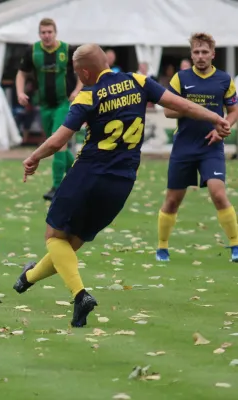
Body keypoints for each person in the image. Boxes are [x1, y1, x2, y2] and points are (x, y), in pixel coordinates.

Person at [13, 44, 230, 328]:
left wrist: (33, 157)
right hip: (122, 182)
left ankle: (80, 295)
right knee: (70, 245)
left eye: (79, 74)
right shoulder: (138, 81)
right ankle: (26, 279)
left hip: (89, 174)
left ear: (85, 72)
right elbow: (180, 104)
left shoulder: (88, 95)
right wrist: (216, 117)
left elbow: (58, 140)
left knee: (54, 237)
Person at [156, 33, 238, 262]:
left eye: (204, 52)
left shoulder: (224, 79)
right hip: (184, 147)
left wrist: (223, 128)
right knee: (172, 200)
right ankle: (162, 247)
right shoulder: (180, 78)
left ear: (213, 54)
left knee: (218, 193)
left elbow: (233, 111)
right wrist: (192, 108)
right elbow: (168, 110)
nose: (200, 57)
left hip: (211, 146)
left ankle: (235, 245)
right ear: (191, 55)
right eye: (196, 52)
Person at [16, 18, 81, 201]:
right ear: (39, 34)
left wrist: (77, 90)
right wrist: (20, 92)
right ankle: (79, 175)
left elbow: (81, 72)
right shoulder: (33, 51)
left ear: (55, 32)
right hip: (44, 105)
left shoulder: (67, 50)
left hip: (63, 103)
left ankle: (57, 187)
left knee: (58, 142)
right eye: (43, 32)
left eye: (49, 32)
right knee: (55, 143)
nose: (46, 35)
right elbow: (21, 73)